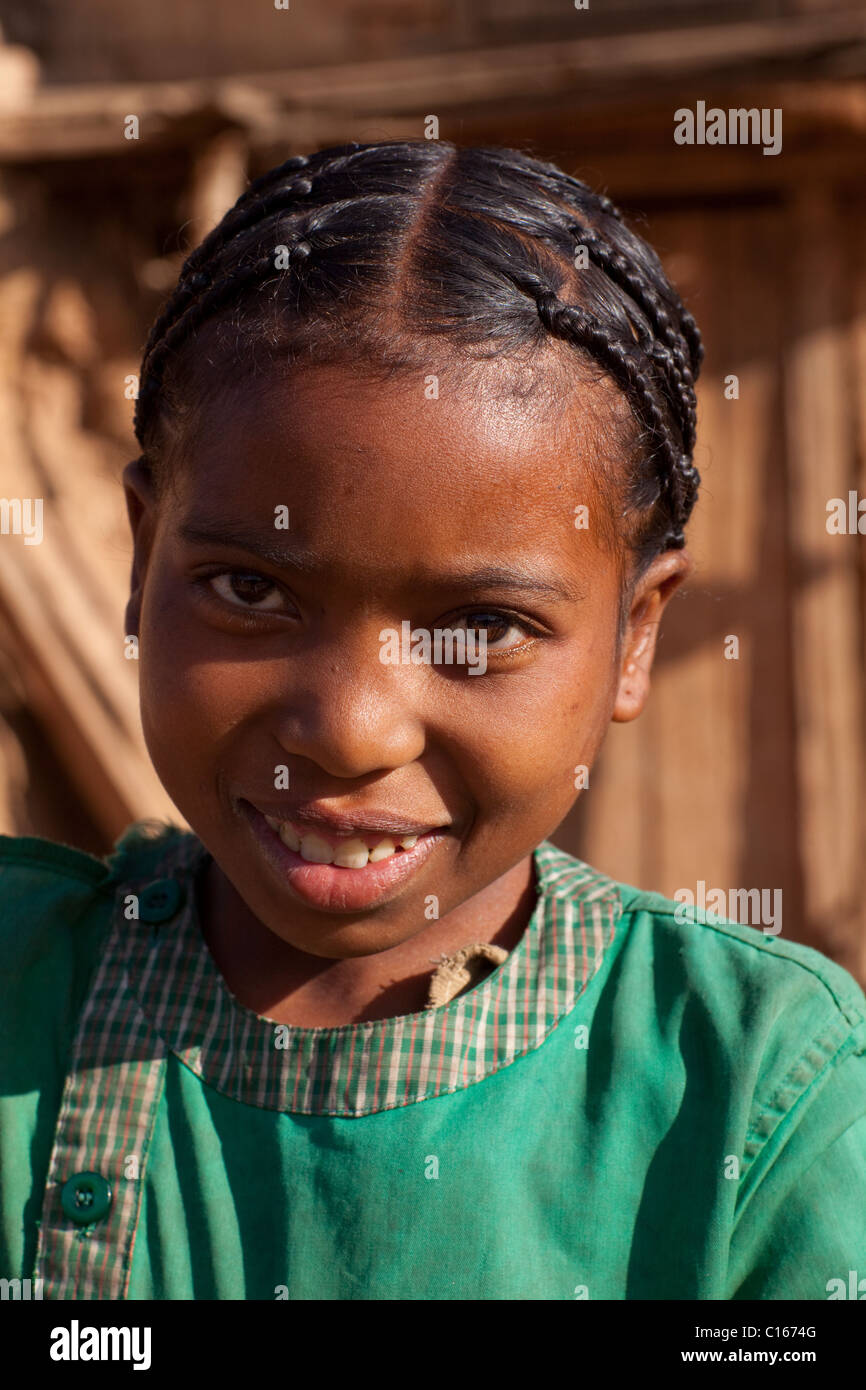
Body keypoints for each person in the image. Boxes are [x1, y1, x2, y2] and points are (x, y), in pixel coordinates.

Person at [2, 140, 864, 1301]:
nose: (351, 730)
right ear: (144, 553)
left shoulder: (753, 1085)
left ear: (636, 634)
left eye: (479, 627)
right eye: (252, 591)